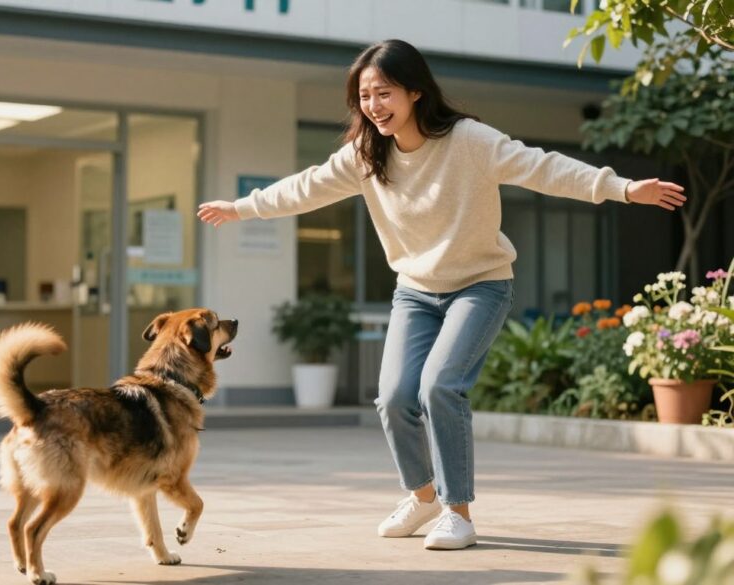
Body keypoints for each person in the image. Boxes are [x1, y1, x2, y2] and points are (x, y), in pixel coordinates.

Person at [197, 39, 684, 551]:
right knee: (394, 398)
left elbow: (542, 167)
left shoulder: (468, 141)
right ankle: (423, 496)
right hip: (416, 291)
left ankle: (458, 512)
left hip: (481, 285)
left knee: (439, 387)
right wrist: (241, 208)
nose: (373, 106)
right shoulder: (367, 154)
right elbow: (307, 186)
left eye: (383, 93)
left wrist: (623, 188)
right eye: (364, 96)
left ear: (414, 92)